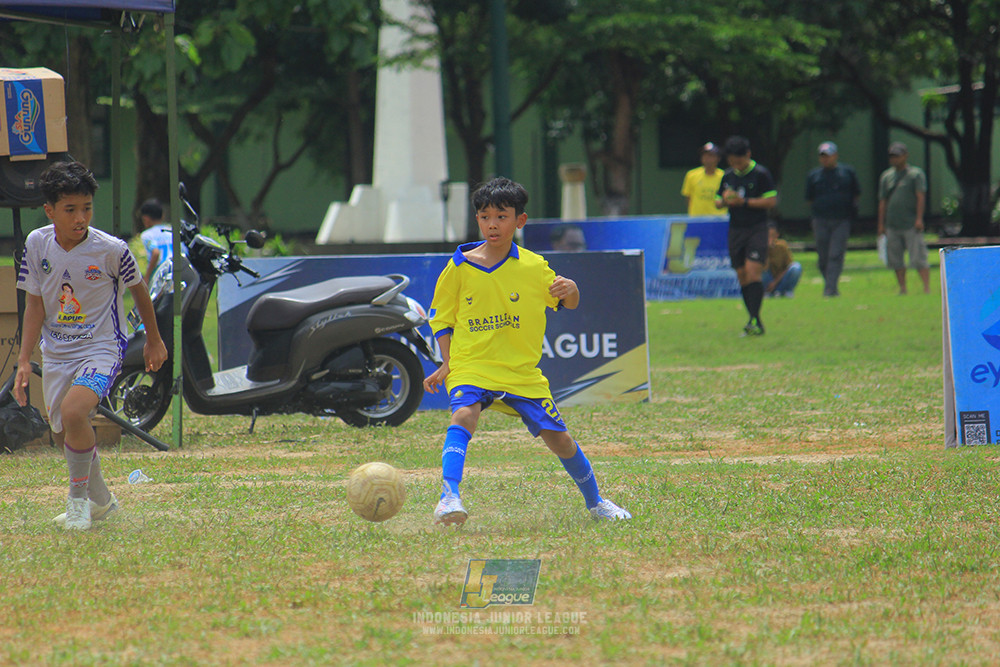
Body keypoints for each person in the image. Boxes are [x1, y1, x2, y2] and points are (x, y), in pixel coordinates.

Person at [423, 177, 631, 526]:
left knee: (561, 440)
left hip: (521, 373)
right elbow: (441, 319)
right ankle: (449, 497)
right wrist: (448, 362)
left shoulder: (535, 267)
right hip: (471, 365)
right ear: (477, 219)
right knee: (463, 416)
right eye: (485, 216)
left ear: (519, 221)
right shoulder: (458, 267)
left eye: (501, 216)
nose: (492, 224)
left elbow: (569, 302)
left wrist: (573, 288)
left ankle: (596, 502)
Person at [13, 161, 168, 531]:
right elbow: (34, 305)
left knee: (74, 412)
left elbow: (140, 292)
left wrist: (154, 340)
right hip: (57, 352)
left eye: (87, 208)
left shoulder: (111, 249)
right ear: (50, 211)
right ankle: (103, 502)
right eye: (70, 209)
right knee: (66, 427)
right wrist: (22, 361)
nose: (81, 217)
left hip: (102, 347)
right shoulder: (37, 244)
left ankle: (78, 501)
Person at [715, 135, 778, 336]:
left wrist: (744, 202)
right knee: (742, 276)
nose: (736, 165)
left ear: (748, 155)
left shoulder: (761, 174)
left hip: (757, 228)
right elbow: (717, 202)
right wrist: (725, 201)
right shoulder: (727, 177)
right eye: (732, 161)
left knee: (753, 272)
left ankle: (754, 319)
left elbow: (771, 201)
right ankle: (754, 319)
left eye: (739, 161)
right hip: (735, 230)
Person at [805, 141, 860, 297]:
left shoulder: (847, 173)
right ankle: (831, 284)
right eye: (822, 156)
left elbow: (856, 193)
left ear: (835, 156)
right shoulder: (814, 176)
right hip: (820, 219)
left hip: (841, 219)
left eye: (828, 156)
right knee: (823, 257)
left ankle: (829, 289)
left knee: (835, 254)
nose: (825, 159)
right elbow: (809, 198)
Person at [877, 142, 930, 295]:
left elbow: (920, 196)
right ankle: (902, 288)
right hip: (892, 224)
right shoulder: (886, 176)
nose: (895, 159)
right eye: (892, 156)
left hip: (911, 223)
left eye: (897, 156)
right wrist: (881, 224)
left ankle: (926, 287)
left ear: (905, 156)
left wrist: (919, 218)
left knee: (918, 257)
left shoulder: (915, 174)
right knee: (895, 259)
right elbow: (882, 201)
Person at [682, 142, 726, 217]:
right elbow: (688, 196)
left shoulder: (724, 176)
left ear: (718, 158)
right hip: (697, 219)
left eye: (710, 155)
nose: (707, 158)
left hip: (718, 218)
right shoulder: (691, 175)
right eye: (704, 155)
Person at [138, 198, 173, 285]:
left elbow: (156, 253)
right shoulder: (171, 231)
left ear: (146, 219)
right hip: (175, 270)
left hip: (161, 272)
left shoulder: (147, 235)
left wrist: (147, 277)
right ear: (162, 215)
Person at [762, 222, 802, 297]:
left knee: (796, 267)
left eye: (772, 236)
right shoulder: (758, 246)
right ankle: (766, 292)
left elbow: (788, 266)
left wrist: (775, 282)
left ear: (777, 235)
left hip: (779, 280)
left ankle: (786, 291)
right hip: (767, 278)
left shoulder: (782, 246)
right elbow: (763, 267)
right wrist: (765, 249)